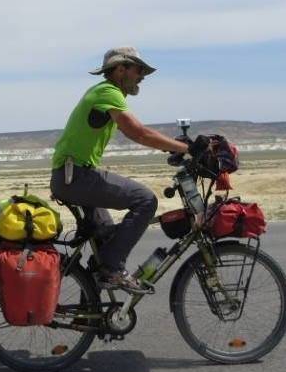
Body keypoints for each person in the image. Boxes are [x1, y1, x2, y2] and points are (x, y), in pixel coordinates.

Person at [50, 46, 209, 293]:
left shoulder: (105, 93)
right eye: (139, 70)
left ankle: (95, 307)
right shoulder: (107, 92)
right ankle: (112, 272)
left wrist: (174, 148)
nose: (142, 76)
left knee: (106, 239)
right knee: (145, 200)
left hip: (73, 176)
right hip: (76, 177)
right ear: (120, 69)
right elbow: (139, 133)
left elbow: (142, 133)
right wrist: (185, 149)